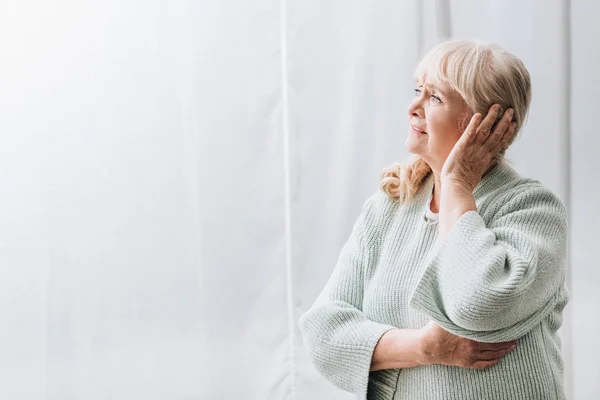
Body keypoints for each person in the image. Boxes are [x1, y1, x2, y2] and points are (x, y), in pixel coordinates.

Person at [298, 39, 569, 400]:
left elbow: (479, 304)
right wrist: (425, 347)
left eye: (435, 98)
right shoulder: (389, 208)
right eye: (417, 90)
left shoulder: (532, 209)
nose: (413, 107)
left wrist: (457, 183)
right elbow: (322, 334)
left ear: (485, 123)